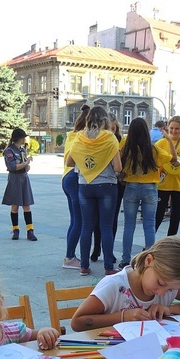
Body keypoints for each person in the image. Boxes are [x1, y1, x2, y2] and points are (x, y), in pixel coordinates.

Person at [66, 106, 122, 276]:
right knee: (105, 227)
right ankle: (108, 267)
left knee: (86, 226)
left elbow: (69, 162)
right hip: (107, 186)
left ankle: (84, 266)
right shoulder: (110, 138)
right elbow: (118, 167)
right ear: (105, 120)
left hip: (84, 185)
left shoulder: (79, 138)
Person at [118, 118, 177, 268]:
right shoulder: (154, 149)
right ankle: (148, 261)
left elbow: (118, 161)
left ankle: (125, 259)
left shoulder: (126, 146)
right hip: (150, 188)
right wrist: (169, 140)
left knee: (129, 225)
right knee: (149, 225)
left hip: (131, 187)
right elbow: (174, 159)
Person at [91, 114, 124, 264]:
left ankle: (108, 251)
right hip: (102, 182)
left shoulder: (120, 141)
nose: (111, 131)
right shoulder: (97, 141)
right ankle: (97, 247)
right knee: (97, 219)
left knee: (112, 219)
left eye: (113, 128)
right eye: (108, 128)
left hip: (117, 183)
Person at [61, 105, 91, 270]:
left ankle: (70, 255)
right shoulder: (81, 137)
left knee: (75, 220)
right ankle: (69, 257)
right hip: (74, 178)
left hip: (67, 177)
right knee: (79, 220)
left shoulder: (72, 135)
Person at [2, 128, 37, 241]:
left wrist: (27, 166)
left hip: (23, 178)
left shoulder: (22, 150)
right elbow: (12, 167)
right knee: (15, 206)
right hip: (14, 178)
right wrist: (25, 163)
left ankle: (30, 231)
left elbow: (25, 167)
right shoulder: (9, 151)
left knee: (27, 205)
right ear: (18, 138)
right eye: (23, 137)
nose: (24, 139)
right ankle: (15, 230)